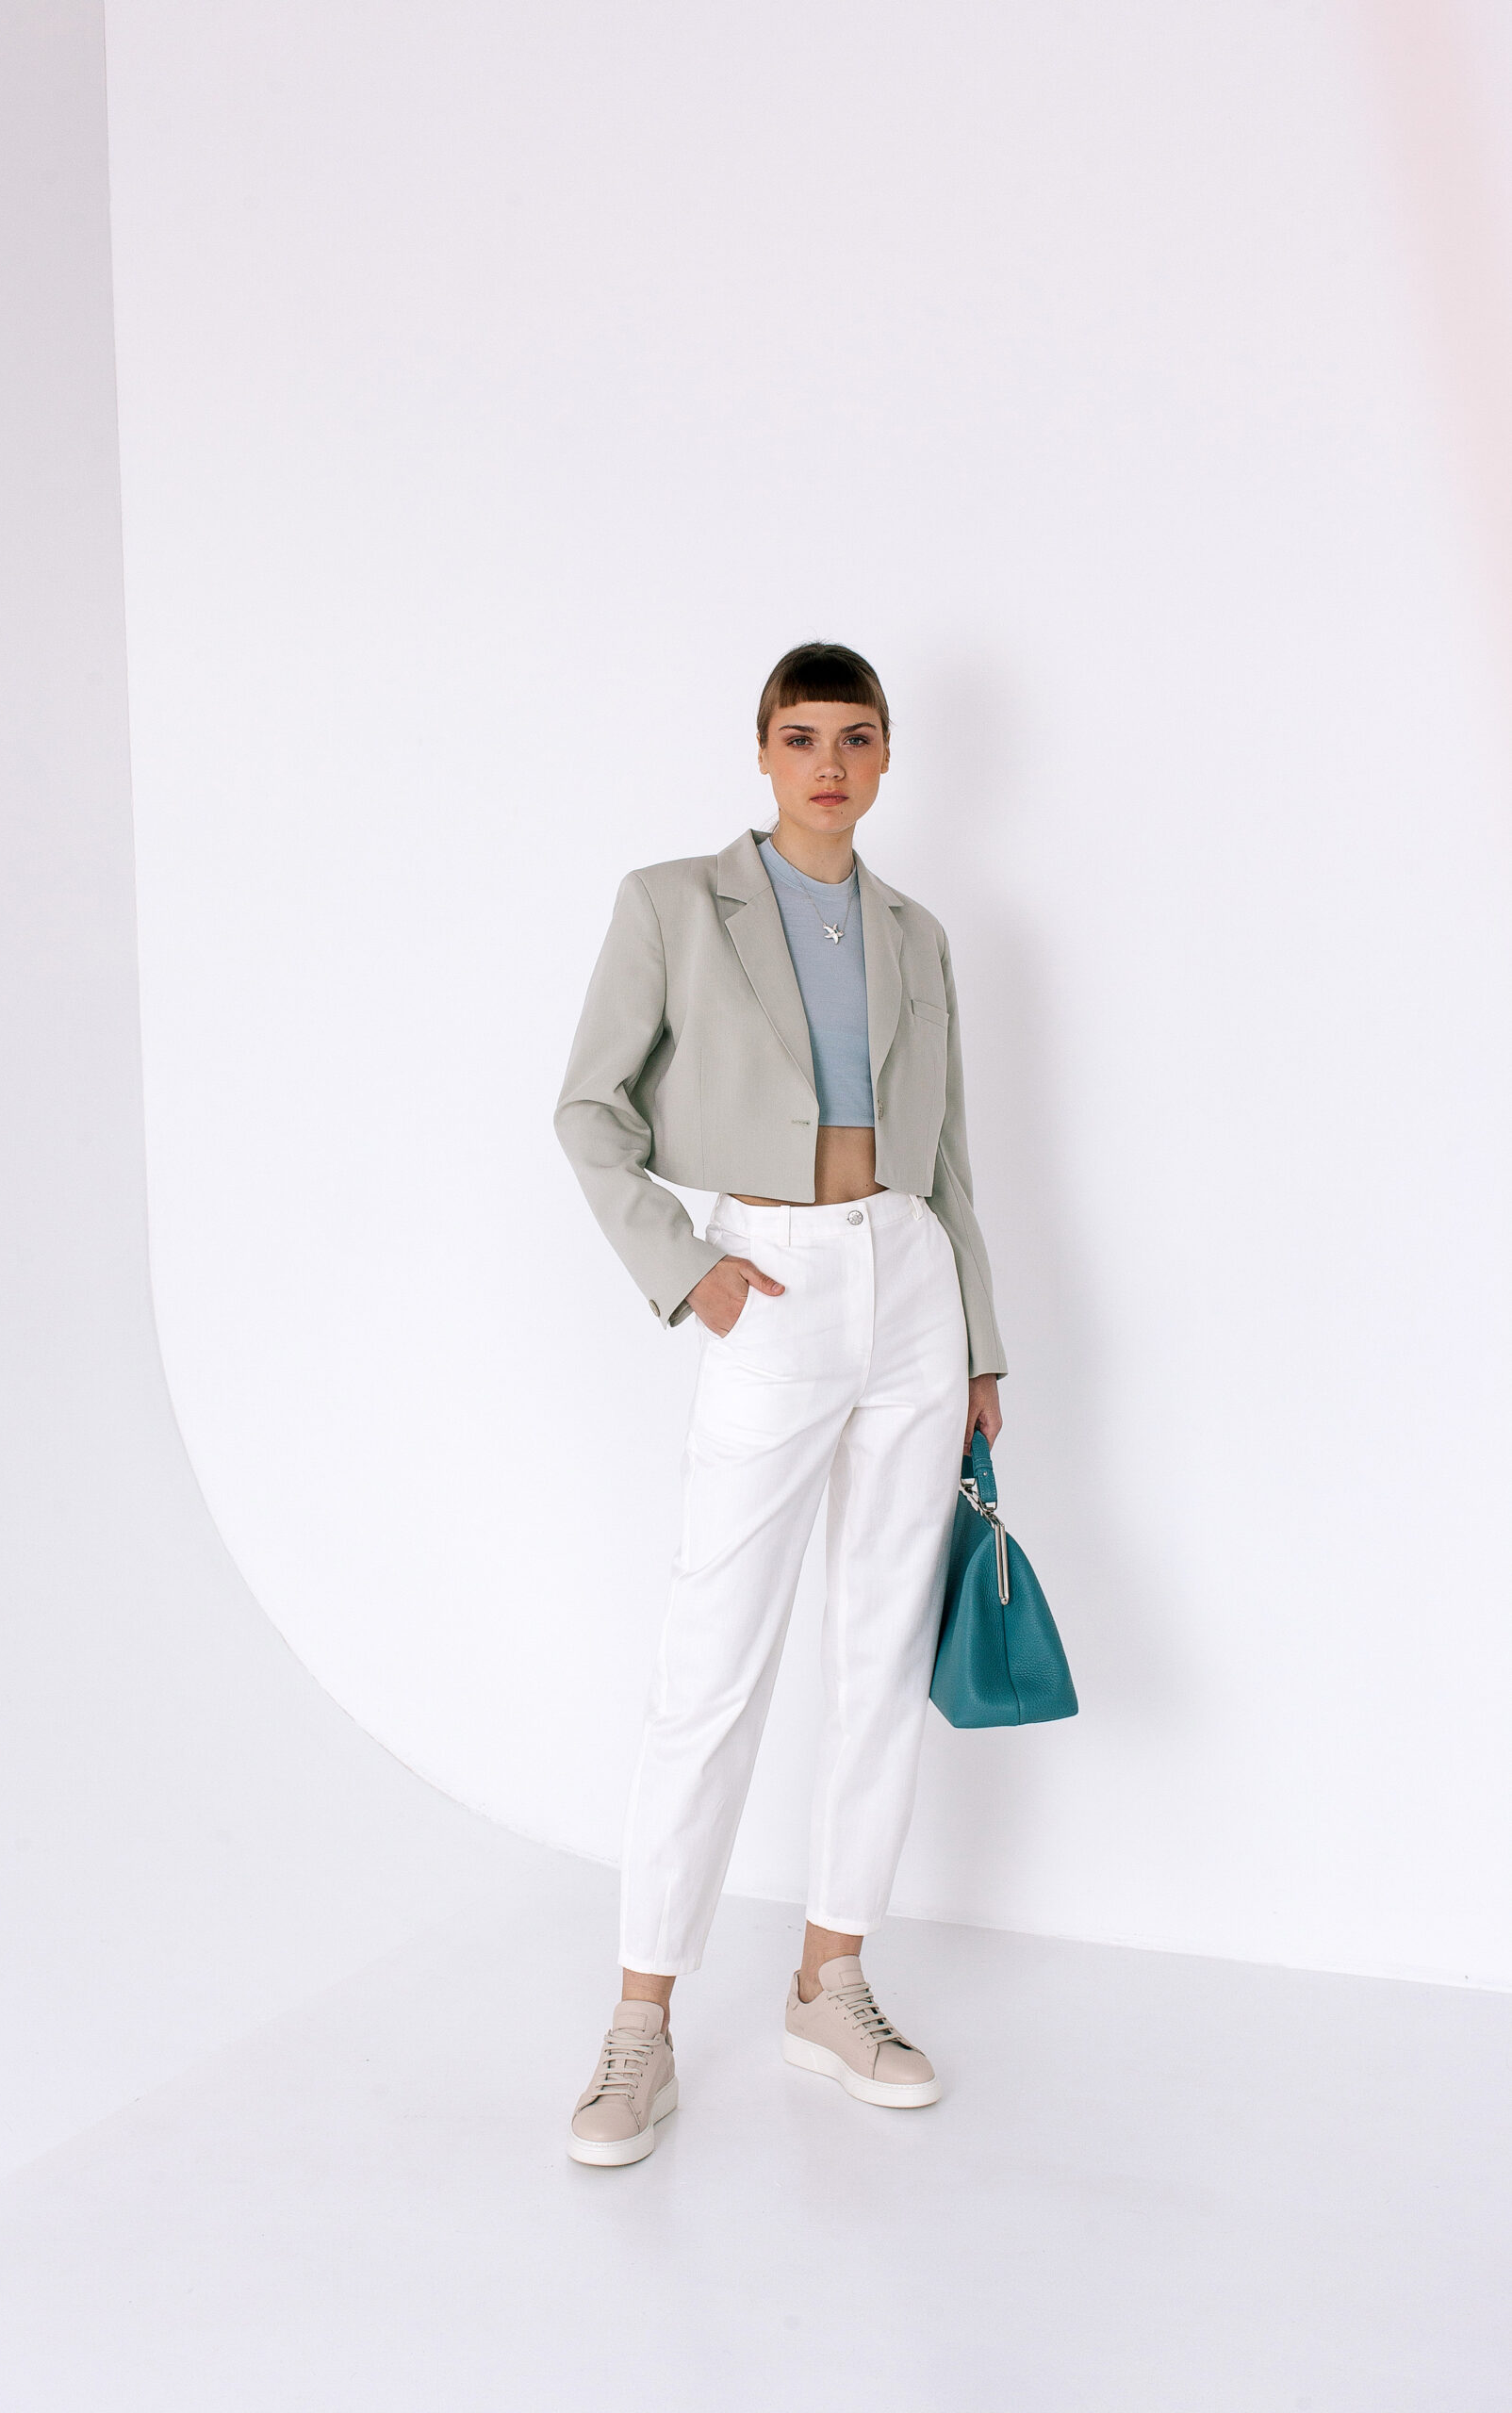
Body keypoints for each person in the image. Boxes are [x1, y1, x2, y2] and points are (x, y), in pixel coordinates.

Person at [552, 641, 1005, 2167]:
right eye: (802, 737)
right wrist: (689, 1271)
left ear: (886, 759)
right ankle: (641, 2021)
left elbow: (950, 1159)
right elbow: (588, 1110)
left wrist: (982, 1347)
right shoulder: (673, 904)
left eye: (855, 738)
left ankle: (831, 1980)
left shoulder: (917, 934)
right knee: (712, 1664)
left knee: (879, 1653)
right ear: (762, 753)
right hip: (770, 1281)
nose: (829, 765)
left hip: (912, 1286)